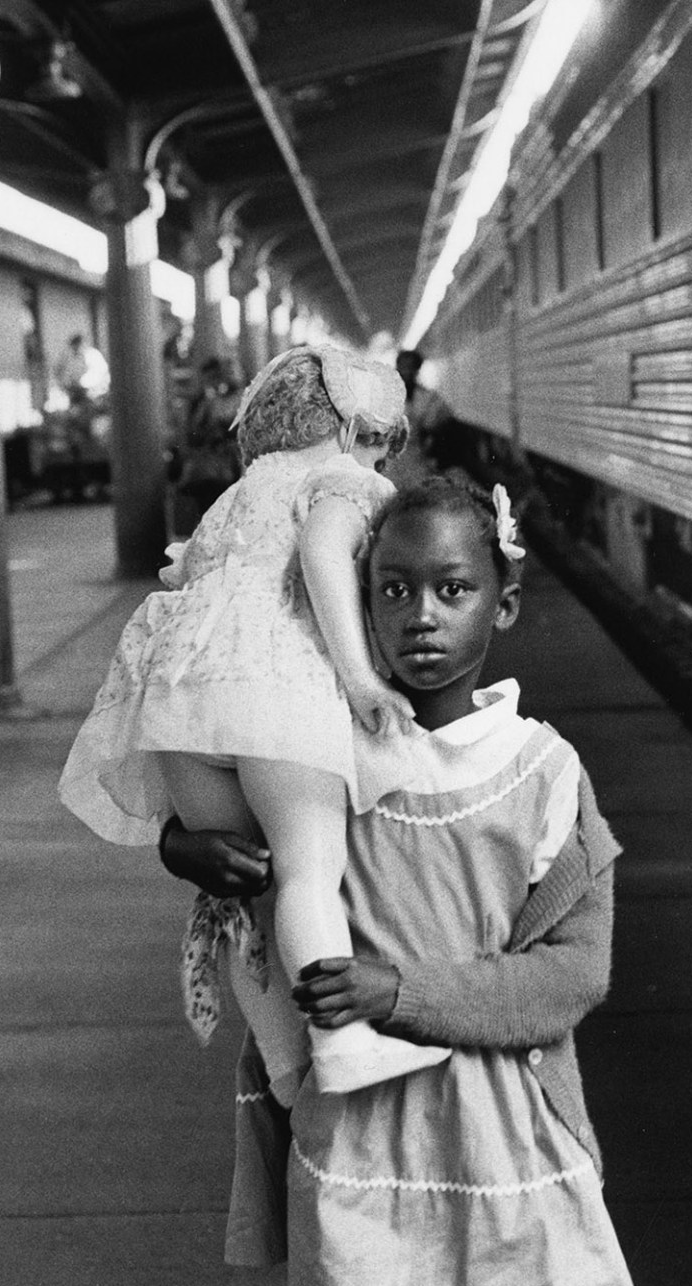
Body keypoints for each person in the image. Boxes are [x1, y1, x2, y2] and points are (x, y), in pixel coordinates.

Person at [162, 476, 642, 1286]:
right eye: (392, 589)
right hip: (359, 1143)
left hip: (512, 1141)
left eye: (453, 589)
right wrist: (184, 846)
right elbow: (203, 789)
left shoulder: (542, 773)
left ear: (505, 605)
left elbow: (574, 974)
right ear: (357, 602)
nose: (421, 614)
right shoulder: (313, 756)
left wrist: (398, 991)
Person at [60, 343, 450, 1103]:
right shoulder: (340, 484)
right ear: (346, 430)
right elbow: (322, 554)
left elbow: (182, 580)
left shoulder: (232, 497)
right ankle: (340, 1045)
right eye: (379, 442)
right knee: (308, 873)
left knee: (243, 899)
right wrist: (362, 676)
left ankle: (282, 1069)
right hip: (273, 688)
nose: (382, 464)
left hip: (177, 707)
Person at [171, 356, 244, 535]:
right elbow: (193, 433)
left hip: (228, 465)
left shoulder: (235, 398)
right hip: (214, 468)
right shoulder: (205, 400)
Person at [393, 348, 464, 478]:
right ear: (397, 367)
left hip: (418, 458)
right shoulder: (385, 394)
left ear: (417, 370)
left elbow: (439, 421)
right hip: (390, 460)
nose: (407, 372)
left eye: (411, 368)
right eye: (403, 367)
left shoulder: (429, 397)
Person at [52, 331, 110, 407]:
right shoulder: (70, 357)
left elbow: (99, 373)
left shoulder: (92, 354)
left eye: (76, 346)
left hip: (93, 392)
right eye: (73, 347)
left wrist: (82, 382)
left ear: (81, 344)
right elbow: (63, 372)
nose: (75, 349)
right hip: (75, 392)